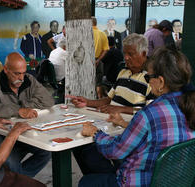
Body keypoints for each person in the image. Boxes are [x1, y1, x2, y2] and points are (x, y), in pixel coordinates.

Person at [78, 47, 195, 187]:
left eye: (148, 77)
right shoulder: (189, 105)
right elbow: (161, 133)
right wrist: (124, 123)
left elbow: (116, 150)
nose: (148, 82)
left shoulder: (150, 113)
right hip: (177, 181)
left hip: (142, 182)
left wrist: (95, 133)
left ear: (161, 82)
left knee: (86, 182)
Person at [0, 52, 54, 177]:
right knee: (10, 162)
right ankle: (17, 180)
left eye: (24, 72)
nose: (21, 78)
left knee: (46, 151)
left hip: (22, 130)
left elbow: (48, 101)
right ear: (6, 70)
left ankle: (18, 179)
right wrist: (19, 111)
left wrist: (25, 105)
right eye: (17, 73)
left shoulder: (29, 80)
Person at [69, 33, 153, 115]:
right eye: (125, 53)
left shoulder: (152, 78)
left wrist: (120, 109)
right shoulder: (123, 73)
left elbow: (151, 111)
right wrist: (87, 102)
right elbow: (109, 99)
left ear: (143, 54)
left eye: (130, 54)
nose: (126, 57)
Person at [91, 17, 109, 99]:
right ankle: (99, 99)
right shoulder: (102, 34)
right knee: (98, 83)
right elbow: (105, 50)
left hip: (86, 61)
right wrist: (98, 60)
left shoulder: (85, 34)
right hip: (98, 61)